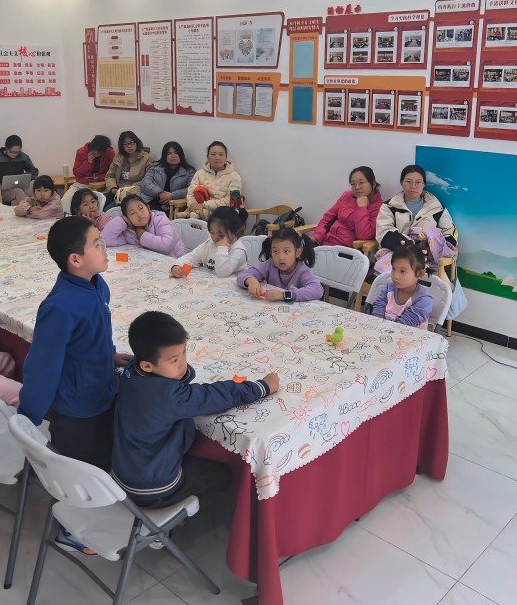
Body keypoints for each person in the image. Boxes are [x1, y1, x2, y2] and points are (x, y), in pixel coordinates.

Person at [18, 216, 130, 555]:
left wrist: (109, 356)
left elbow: (93, 336)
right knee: (77, 469)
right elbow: (42, 365)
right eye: (97, 244)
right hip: (75, 408)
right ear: (75, 259)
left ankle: (96, 509)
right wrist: (28, 418)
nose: (105, 247)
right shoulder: (60, 307)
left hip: (100, 392)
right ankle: (72, 530)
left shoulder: (97, 285)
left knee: (98, 459)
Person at [112, 311, 278, 507]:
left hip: (123, 476)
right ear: (148, 366)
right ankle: (187, 519)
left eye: (184, 352)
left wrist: (173, 365)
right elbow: (215, 395)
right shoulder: (169, 397)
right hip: (154, 489)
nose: (183, 363)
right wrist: (262, 387)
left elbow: (182, 377)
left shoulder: (131, 371)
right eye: (174, 360)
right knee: (225, 475)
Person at [376, 165, 456, 251]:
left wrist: (433, 249)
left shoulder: (437, 208)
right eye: (408, 181)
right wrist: (407, 247)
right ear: (402, 182)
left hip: (430, 255)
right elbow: (383, 232)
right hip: (397, 254)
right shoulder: (389, 207)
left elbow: (449, 233)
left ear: (424, 184)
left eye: (418, 182)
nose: (413, 186)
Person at [236, 227, 323, 302]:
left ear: (298, 252)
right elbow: (242, 275)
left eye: (286, 251)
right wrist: (251, 280)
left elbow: (317, 290)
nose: (281, 257)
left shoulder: (302, 271)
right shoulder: (271, 264)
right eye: (275, 251)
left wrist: (284, 295)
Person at [170, 206, 249, 278]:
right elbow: (193, 257)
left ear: (235, 231)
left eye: (220, 234)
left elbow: (222, 272)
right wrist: (177, 265)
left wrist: (222, 248)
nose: (215, 237)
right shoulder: (210, 244)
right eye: (212, 232)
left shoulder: (238, 250)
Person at [313, 166, 383, 247]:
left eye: (361, 183)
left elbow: (364, 235)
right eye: (353, 184)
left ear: (373, 184)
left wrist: (362, 208)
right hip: (325, 244)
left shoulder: (379, 207)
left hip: (347, 250)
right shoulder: (347, 196)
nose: (357, 187)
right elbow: (327, 219)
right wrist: (316, 237)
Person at [101, 194, 185, 258]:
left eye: (141, 208)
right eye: (132, 213)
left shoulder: (160, 219)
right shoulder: (129, 230)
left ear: (148, 208)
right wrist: (123, 221)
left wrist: (143, 235)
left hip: (176, 262)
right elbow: (105, 240)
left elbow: (166, 246)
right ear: (128, 218)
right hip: (152, 263)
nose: (139, 214)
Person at [371, 244, 433, 329]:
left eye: (402, 271)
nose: (395, 276)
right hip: (383, 332)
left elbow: (404, 325)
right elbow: (378, 309)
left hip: (407, 336)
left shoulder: (424, 300)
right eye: (394, 268)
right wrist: (377, 326)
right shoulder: (389, 288)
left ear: (420, 274)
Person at [185, 141, 242, 221]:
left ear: (226, 157)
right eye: (213, 154)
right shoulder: (199, 173)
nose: (217, 158)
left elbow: (230, 200)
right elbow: (191, 194)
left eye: (221, 154)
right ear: (208, 157)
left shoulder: (234, 176)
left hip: (222, 216)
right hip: (197, 213)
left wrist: (204, 205)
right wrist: (193, 206)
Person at [0, 135, 39, 205]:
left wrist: (25, 177)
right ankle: (30, 209)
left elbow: (34, 171)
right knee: (19, 192)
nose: (15, 154)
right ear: (6, 148)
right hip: (3, 191)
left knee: (17, 201)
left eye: (18, 152)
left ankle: (26, 208)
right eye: (12, 152)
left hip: (20, 189)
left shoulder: (24, 157)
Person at [139, 141, 195, 212]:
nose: (173, 156)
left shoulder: (189, 171)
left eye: (175, 153)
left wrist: (172, 195)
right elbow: (145, 182)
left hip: (171, 205)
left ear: (181, 154)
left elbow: (191, 189)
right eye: (169, 153)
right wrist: (160, 193)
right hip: (150, 200)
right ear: (165, 156)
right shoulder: (155, 167)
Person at [105, 131, 151, 205]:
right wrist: (113, 188)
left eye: (131, 143)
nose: (129, 146)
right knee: (101, 205)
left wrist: (130, 189)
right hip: (117, 191)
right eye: (125, 144)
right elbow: (110, 176)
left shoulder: (146, 158)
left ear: (136, 143)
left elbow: (148, 180)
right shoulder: (119, 158)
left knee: (113, 209)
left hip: (134, 193)